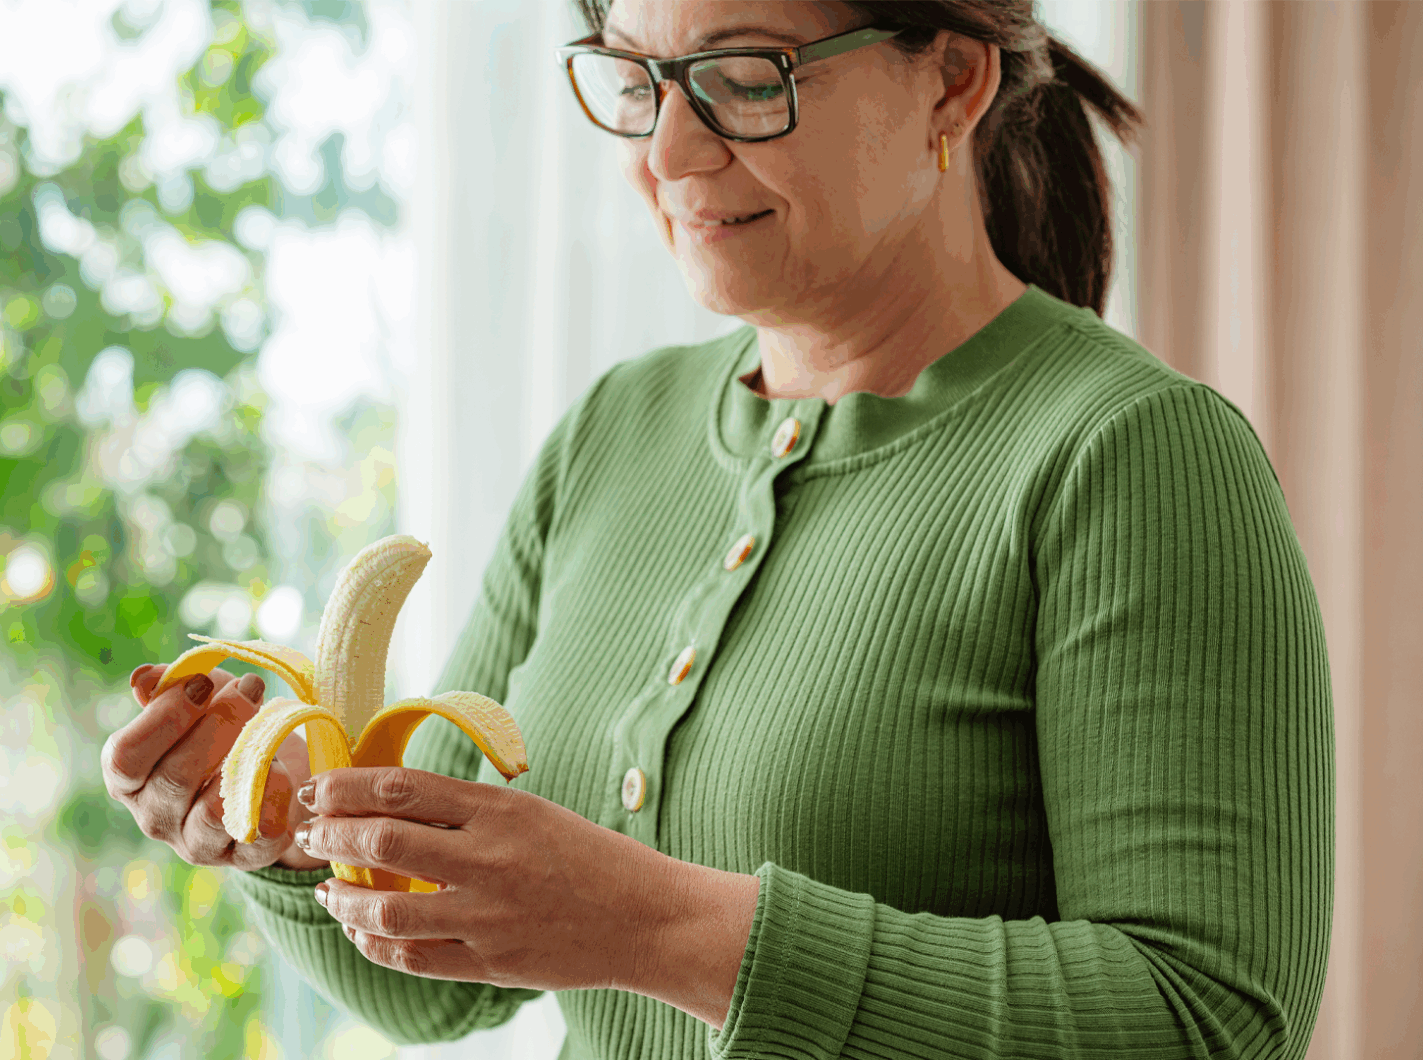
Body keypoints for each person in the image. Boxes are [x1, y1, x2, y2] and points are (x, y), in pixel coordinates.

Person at [101, 1, 1334, 1056]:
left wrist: (657, 927)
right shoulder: (611, 434)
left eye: (749, 79)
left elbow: (1210, 1015)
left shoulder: (1128, 457)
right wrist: (288, 834)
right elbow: (447, 971)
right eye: (637, 80)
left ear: (952, 81)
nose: (671, 152)